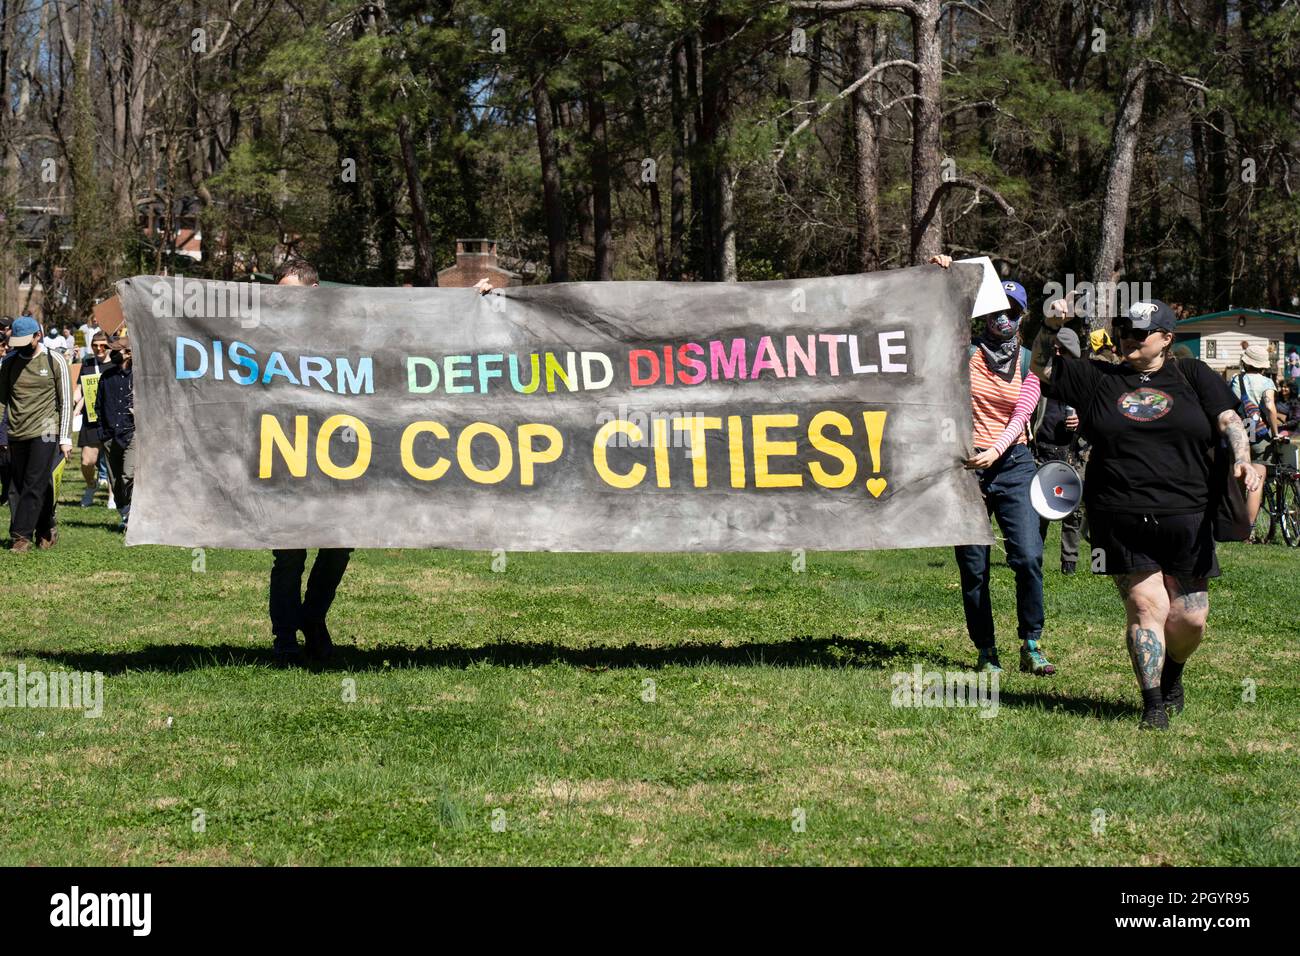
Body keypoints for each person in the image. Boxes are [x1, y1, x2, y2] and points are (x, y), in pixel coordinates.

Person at [1031, 298, 1257, 729]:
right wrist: (1047, 325)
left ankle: (1172, 673)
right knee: (1143, 605)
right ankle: (1153, 705)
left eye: (1139, 333)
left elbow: (1228, 418)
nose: (1127, 339)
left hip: (1188, 514)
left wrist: (1241, 458)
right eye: (1123, 332)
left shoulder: (1192, 375)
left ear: (1166, 339)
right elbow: (1041, 369)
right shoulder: (1099, 378)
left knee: (1189, 617)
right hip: (1119, 512)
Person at [931, 256, 1054, 676]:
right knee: (974, 566)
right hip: (966, 467)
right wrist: (944, 274)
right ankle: (986, 650)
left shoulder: (1029, 362)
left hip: (1014, 463)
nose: (1003, 319)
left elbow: (1021, 413)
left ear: (1022, 317)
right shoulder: (964, 355)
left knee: (1028, 556)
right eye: (996, 312)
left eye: (1012, 312)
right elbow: (936, 319)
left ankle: (1031, 641)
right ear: (985, 315)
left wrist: (996, 451)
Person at [267, 258, 352, 666]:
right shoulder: (264, 332)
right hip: (287, 450)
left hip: (340, 453)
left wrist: (470, 302)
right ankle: (285, 636)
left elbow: (418, 327)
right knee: (289, 550)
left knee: (339, 544)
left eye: (291, 294)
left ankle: (312, 619)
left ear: (314, 291)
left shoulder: (345, 329)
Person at [0, 316, 73, 551]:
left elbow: (66, 401)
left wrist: (65, 439)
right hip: (17, 431)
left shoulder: (55, 360)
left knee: (33, 482)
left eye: (25, 340)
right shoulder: (8, 363)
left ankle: (20, 537)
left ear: (37, 336)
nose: (20, 345)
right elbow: (1, 401)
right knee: (23, 484)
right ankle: (46, 527)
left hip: (46, 430)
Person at [1032, 328, 1085, 574]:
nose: (1056, 352)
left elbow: (1098, 415)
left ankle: (1069, 563)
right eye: (1054, 347)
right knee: (1038, 508)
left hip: (1071, 452)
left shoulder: (1084, 379)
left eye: (1061, 349)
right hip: (1041, 450)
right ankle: (1033, 557)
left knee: (1073, 510)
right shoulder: (1039, 378)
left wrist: (1081, 422)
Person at [1230, 344, 1280, 524]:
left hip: (1240, 432)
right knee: (1256, 482)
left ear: (1245, 363)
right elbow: (1269, 407)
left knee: (1239, 480)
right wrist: (1275, 433)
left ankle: (1235, 523)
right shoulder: (1267, 382)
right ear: (1263, 366)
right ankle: (1247, 529)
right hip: (1260, 434)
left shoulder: (1237, 379)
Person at [95, 333, 134, 531]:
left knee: (128, 474)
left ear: (128, 353)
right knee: (115, 478)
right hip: (109, 435)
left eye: (115, 350)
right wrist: (102, 432)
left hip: (132, 435)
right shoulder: (106, 376)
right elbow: (98, 406)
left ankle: (136, 514)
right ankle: (125, 514)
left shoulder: (139, 377)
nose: (111, 353)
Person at [75, 332, 110, 506]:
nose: (99, 348)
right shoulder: (88, 363)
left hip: (112, 418)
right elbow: (80, 388)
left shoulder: (116, 364)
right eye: (95, 345)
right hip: (91, 420)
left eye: (103, 345)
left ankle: (113, 496)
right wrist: (75, 399)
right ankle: (91, 485)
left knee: (113, 462)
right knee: (87, 461)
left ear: (109, 345)